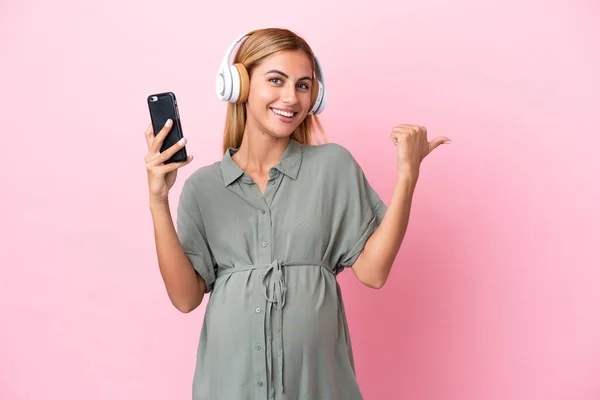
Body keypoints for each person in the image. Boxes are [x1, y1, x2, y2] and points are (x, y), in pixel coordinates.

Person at [144, 27, 450, 400]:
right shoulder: (203, 188)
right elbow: (185, 298)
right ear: (238, 85)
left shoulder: (332, 167)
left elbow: (373, 272)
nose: (291, 98)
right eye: (276, 80)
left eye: (303, 85)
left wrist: (407, 175)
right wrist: (158, 200)